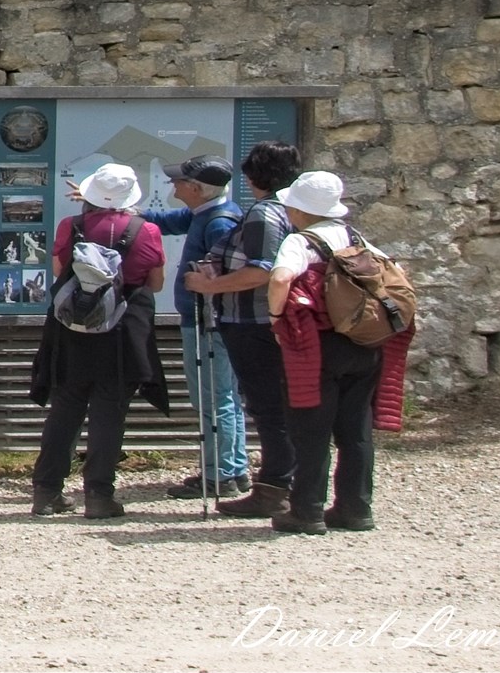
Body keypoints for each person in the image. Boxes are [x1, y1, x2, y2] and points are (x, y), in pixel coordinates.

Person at [265, 169, 412, 535]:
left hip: (317, 346)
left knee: (311, 430)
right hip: (363, 342)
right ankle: (355, 508)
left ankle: (307, 511)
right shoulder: (355, 238)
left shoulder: (300, 242)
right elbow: (398, 271)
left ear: (300, 210)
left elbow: (281, 278)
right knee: (356, 430)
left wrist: (275, 318)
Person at [26, 161, 167, 519]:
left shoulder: (70, 226)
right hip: (122, 333)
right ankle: (99, 496)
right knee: (109, 413)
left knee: (65, 408)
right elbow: (155, 283)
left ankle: (47, 492)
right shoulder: (147, 231)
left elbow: (59, 271)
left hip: (72, 328)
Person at [183, 139, 300, 518]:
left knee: (268, 409)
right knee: (277, 406)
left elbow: (262, 271)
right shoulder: (295, 210)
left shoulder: (264, 214)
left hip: (253, 322)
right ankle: (287, 485)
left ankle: (274, 488)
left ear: (253, 177)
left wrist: (210, 286)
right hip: (275, 322)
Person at [143, 156, 247, 499]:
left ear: (197, 189)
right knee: (223, 395)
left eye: (180, 181)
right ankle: (234, 468)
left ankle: (220, 475)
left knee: (214, 398)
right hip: (207, 320)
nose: (173, 184)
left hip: (209, 322)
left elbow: (226, 278)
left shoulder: (218, 223)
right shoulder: (207, 213)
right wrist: (116, 208)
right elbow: (166, 221)